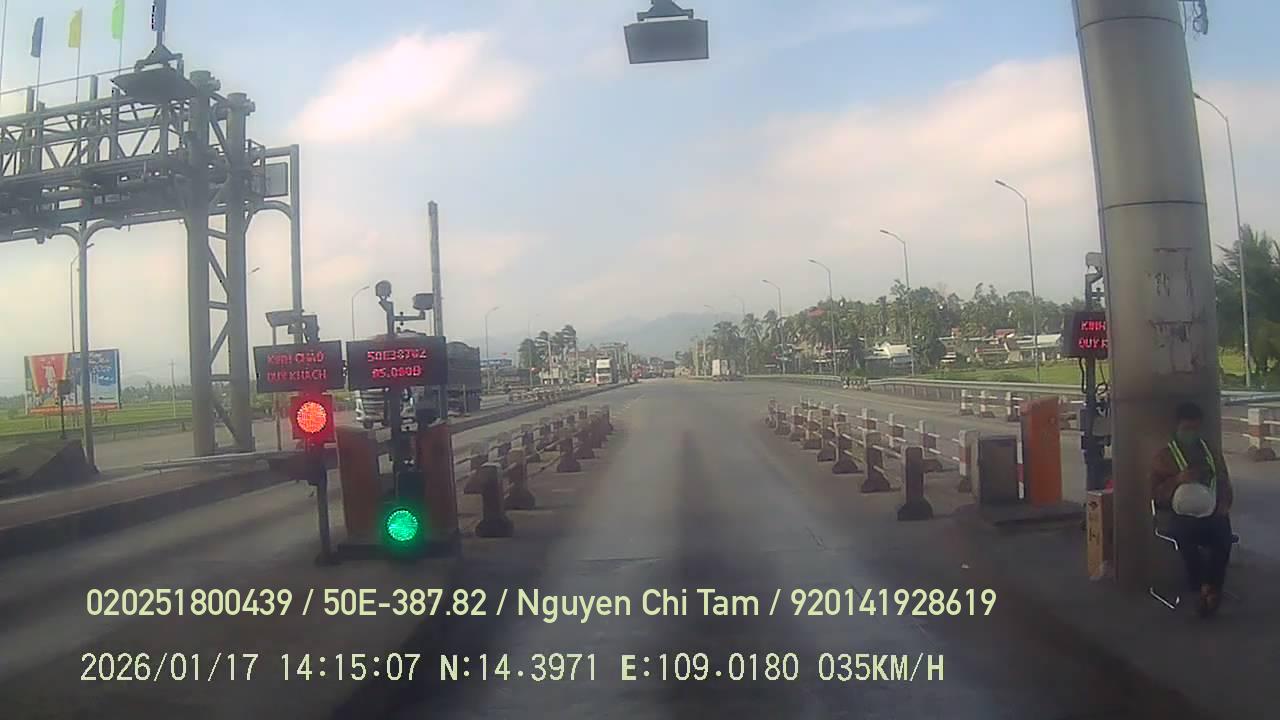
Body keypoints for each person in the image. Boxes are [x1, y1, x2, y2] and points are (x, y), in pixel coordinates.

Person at [1149, 401, 1234, 617]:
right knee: (1187, 540)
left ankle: (1211, 587)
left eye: (1195, 428)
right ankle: (1202, 588)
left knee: (1223, 539)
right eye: (1187, 428)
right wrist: (1177, 480)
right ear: (1177, 427)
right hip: (1179, 515)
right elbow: (1155, 494)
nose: (1191, 433)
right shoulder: (1164, 457)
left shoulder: (1210, 452)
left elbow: (1224, 481)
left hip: (1211, 511)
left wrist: (1224, 504)